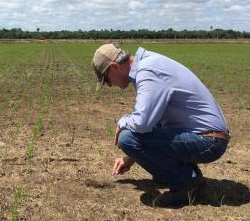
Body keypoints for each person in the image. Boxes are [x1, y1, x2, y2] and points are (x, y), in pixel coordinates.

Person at [92, 44, 230, 207]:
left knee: (127, 137)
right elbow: (153, 123)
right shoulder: (148, 65)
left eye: (107, 80)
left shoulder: (148, 71)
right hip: (207, 137)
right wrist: (131, 157)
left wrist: (122, 122)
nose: (110, 85)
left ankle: (186, 183)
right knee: (132, 138)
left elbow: (141, 124)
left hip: (209, 141)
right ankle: (189, 174)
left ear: (114, 67)